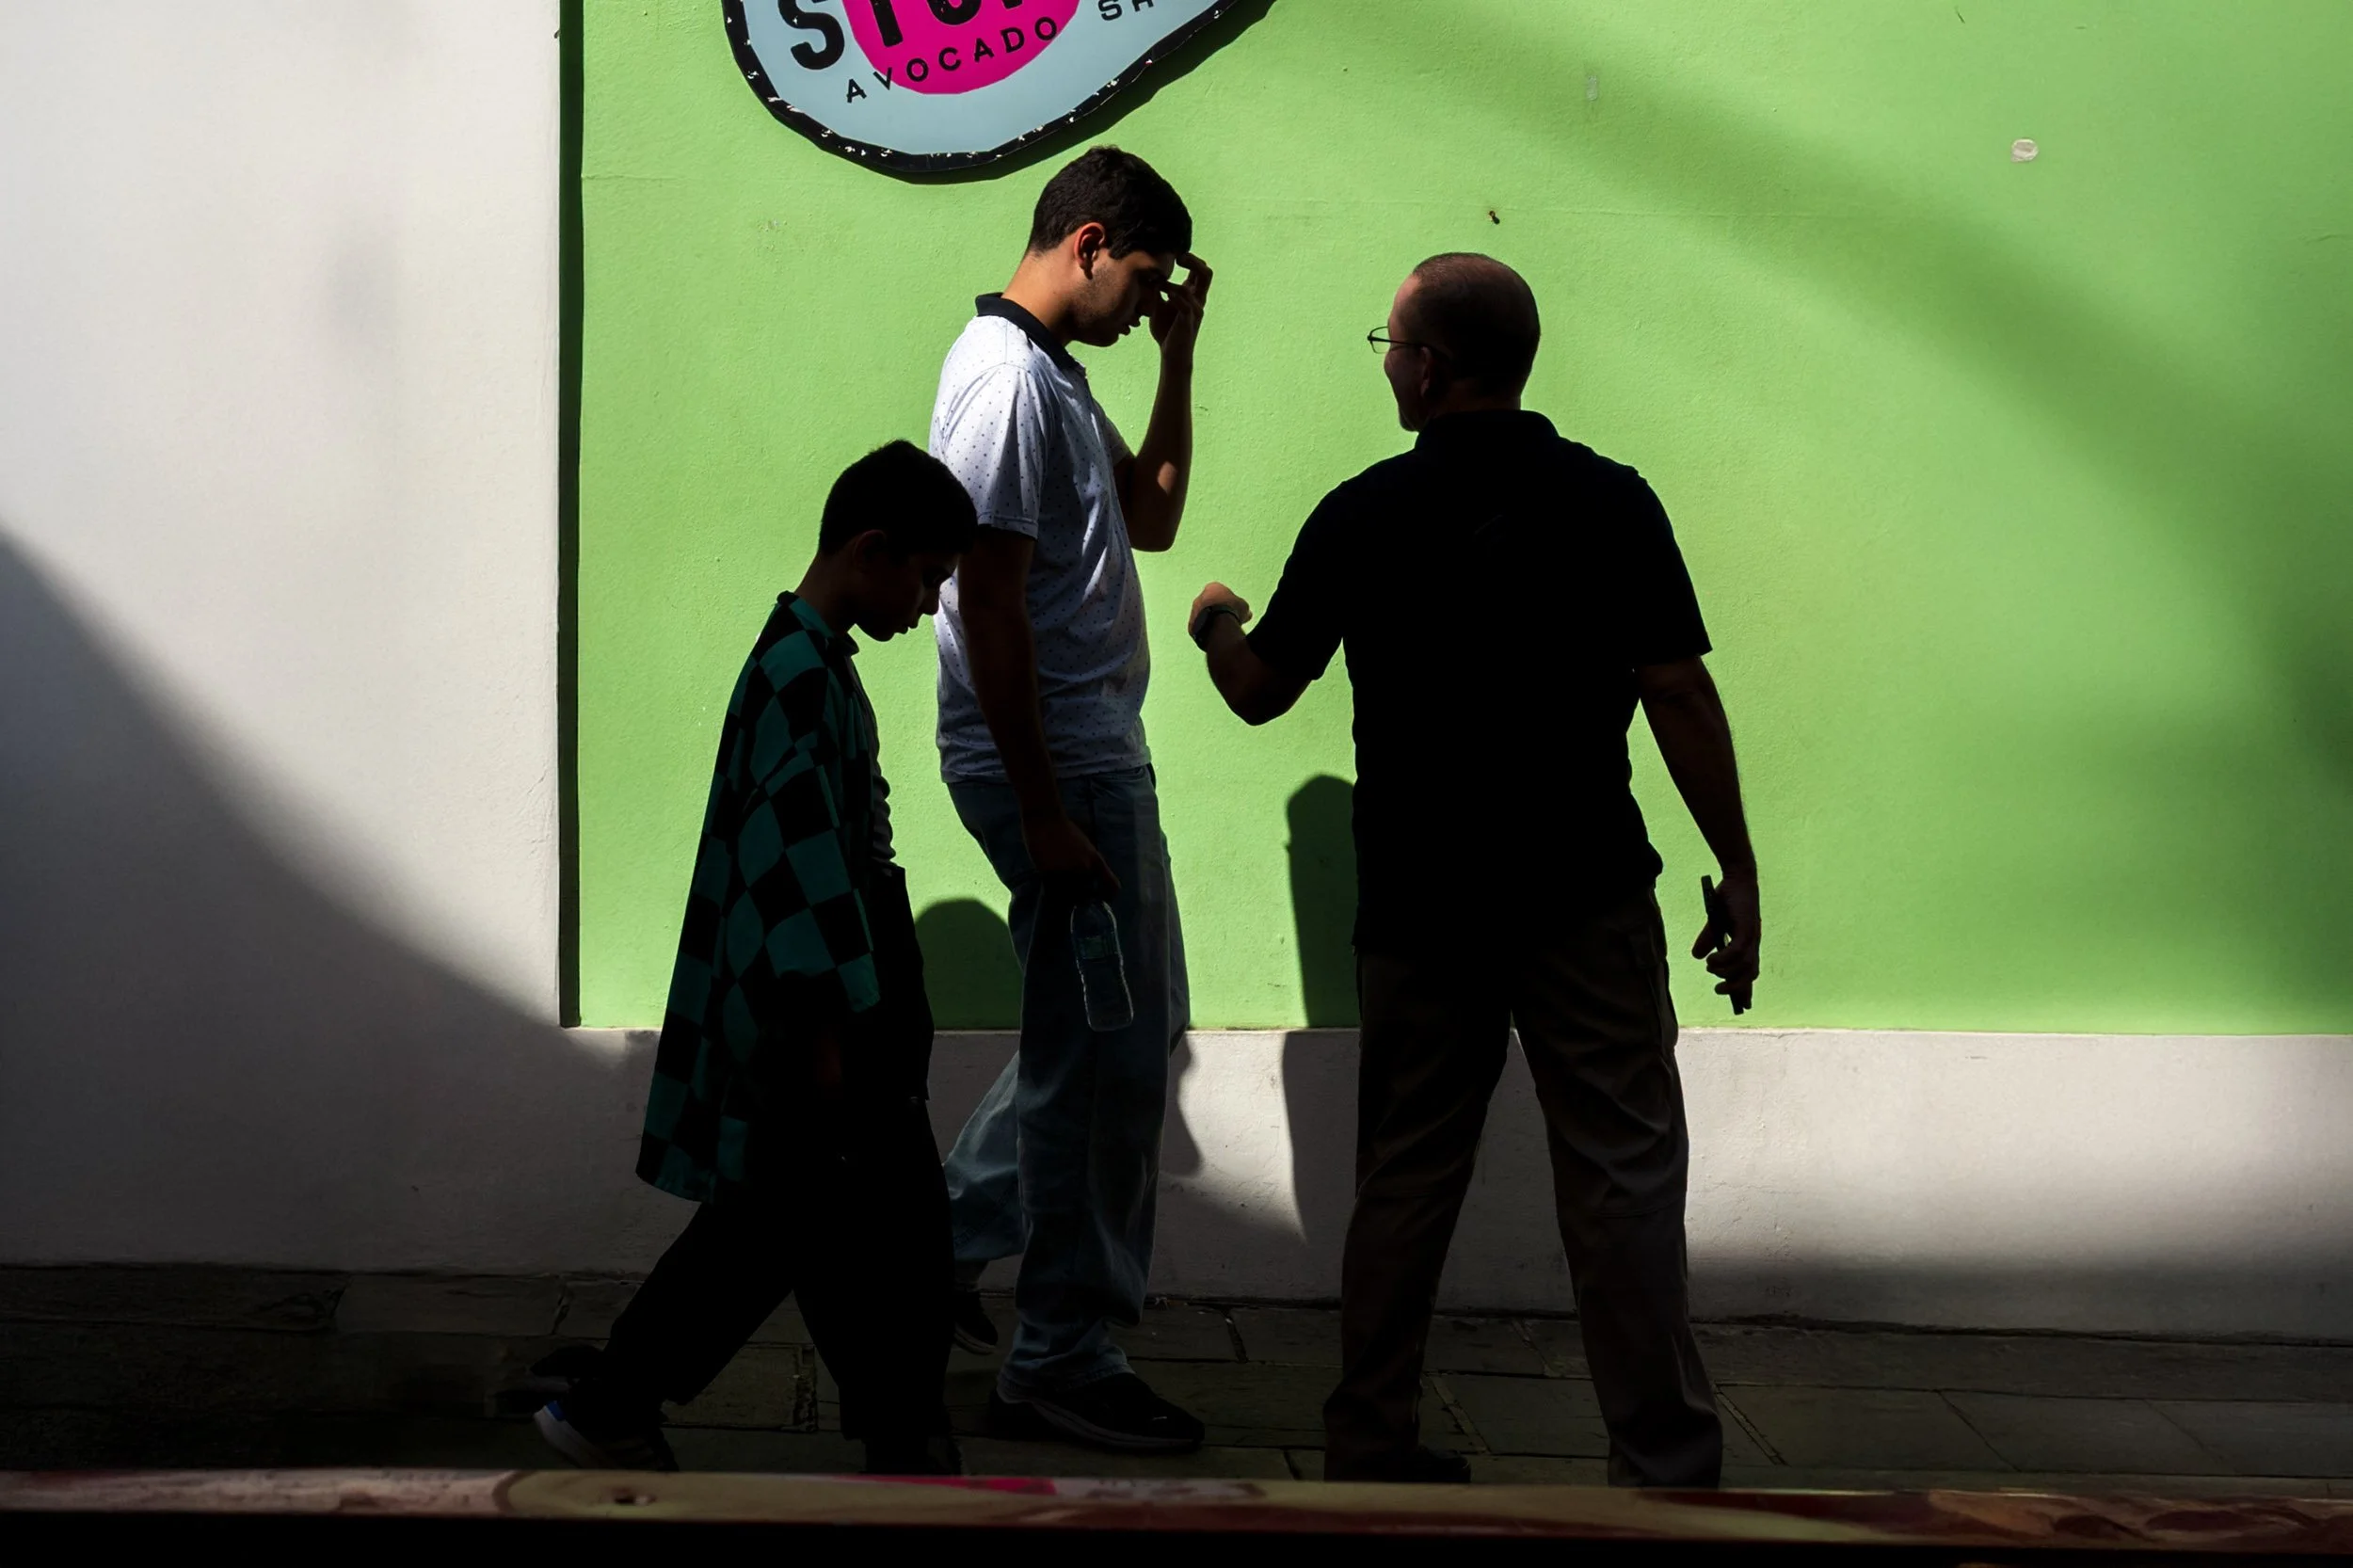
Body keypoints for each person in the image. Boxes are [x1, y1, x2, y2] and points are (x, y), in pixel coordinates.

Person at [1189, 254, 1759, 1487]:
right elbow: (1677, 690)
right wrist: (1738, 869)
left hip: (1421, 905)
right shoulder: (1612, 501)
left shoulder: (1361, 513)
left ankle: (1370, 1440)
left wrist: (1214, 622)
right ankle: (1665, 1459)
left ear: (1429, 365)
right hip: (1586, 891)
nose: (1387, 363)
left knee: (1403, 1178)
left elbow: (1259, 689)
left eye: (1389, 344)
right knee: (1620, 1178)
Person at [534, 440, 977, 1475]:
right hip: (826, 1028)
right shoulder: (797, 675)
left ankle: (622, 1404)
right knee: (871, 1241)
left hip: (833, 1020)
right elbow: (798, 870)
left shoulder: (810, 665)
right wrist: (829, 1040)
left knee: (784, 1232)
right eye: (926, 577)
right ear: (870, 551)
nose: (926, 605)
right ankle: (898, 1444)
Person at [926, 146, 1213, 1452]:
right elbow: (985, 600)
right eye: (1142, 280)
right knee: (1104, 1058)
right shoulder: (1002, 387)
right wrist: (1044, 808)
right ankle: (1060, 1351)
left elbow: (1151, 518)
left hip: (1090, 759)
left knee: (1109, 1035)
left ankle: (937, 1248)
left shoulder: (1054, 378)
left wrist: (1180, 354)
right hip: (1064, 767)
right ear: (1090, 241)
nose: (1144, 301)